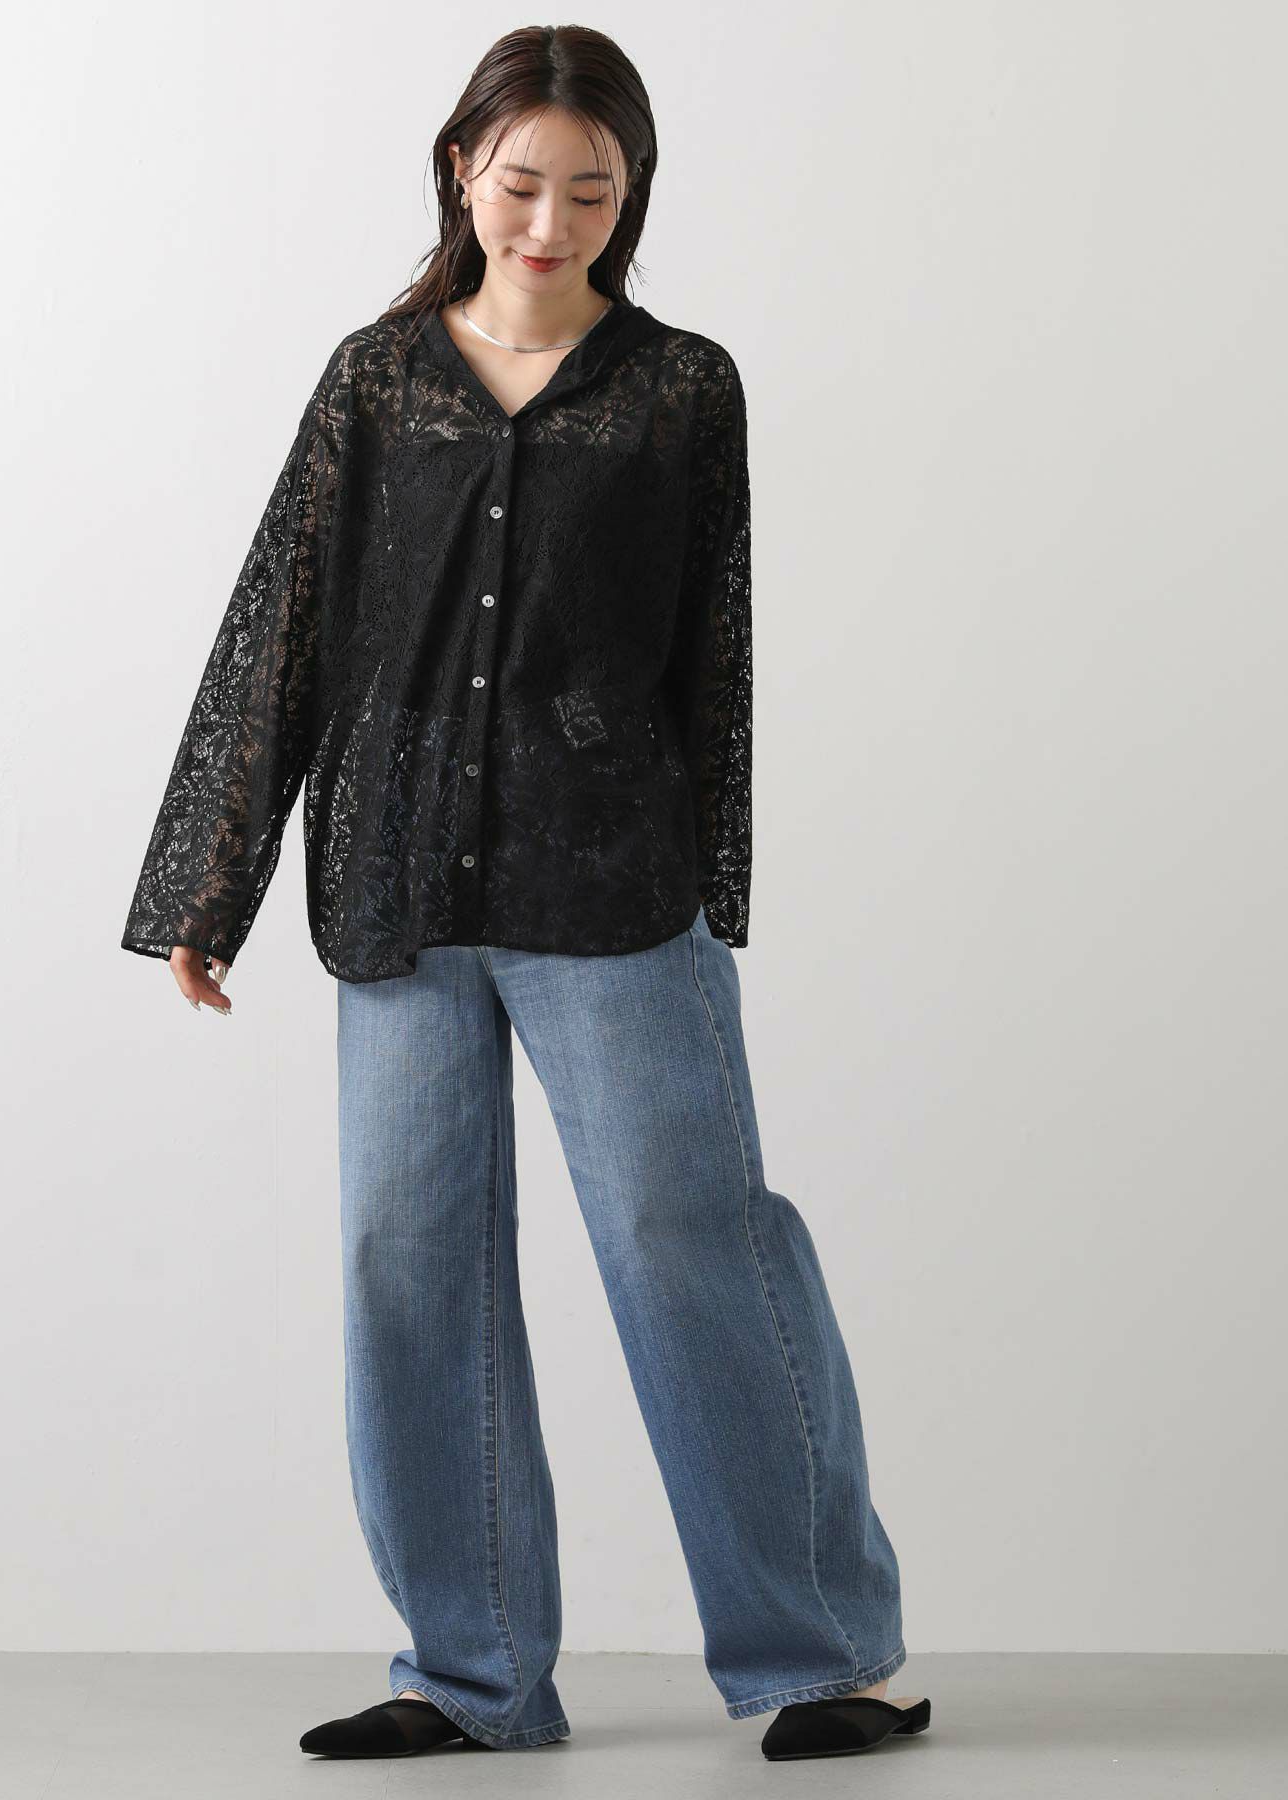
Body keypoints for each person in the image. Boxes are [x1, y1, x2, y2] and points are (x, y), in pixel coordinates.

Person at [120, 23, 929, 1766]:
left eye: (592, 190)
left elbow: (711, 649)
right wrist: (210, 876)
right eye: (521, 183)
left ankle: (824, 1659)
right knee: (405, 1260)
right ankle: (468, 1675)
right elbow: (284, 624)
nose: (551, 222)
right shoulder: (374, 378)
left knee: (686, 1238)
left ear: (631, 196)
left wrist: (710, 881)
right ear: (461, 171)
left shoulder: (682, 387)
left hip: (612, 876)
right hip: (399, 875)